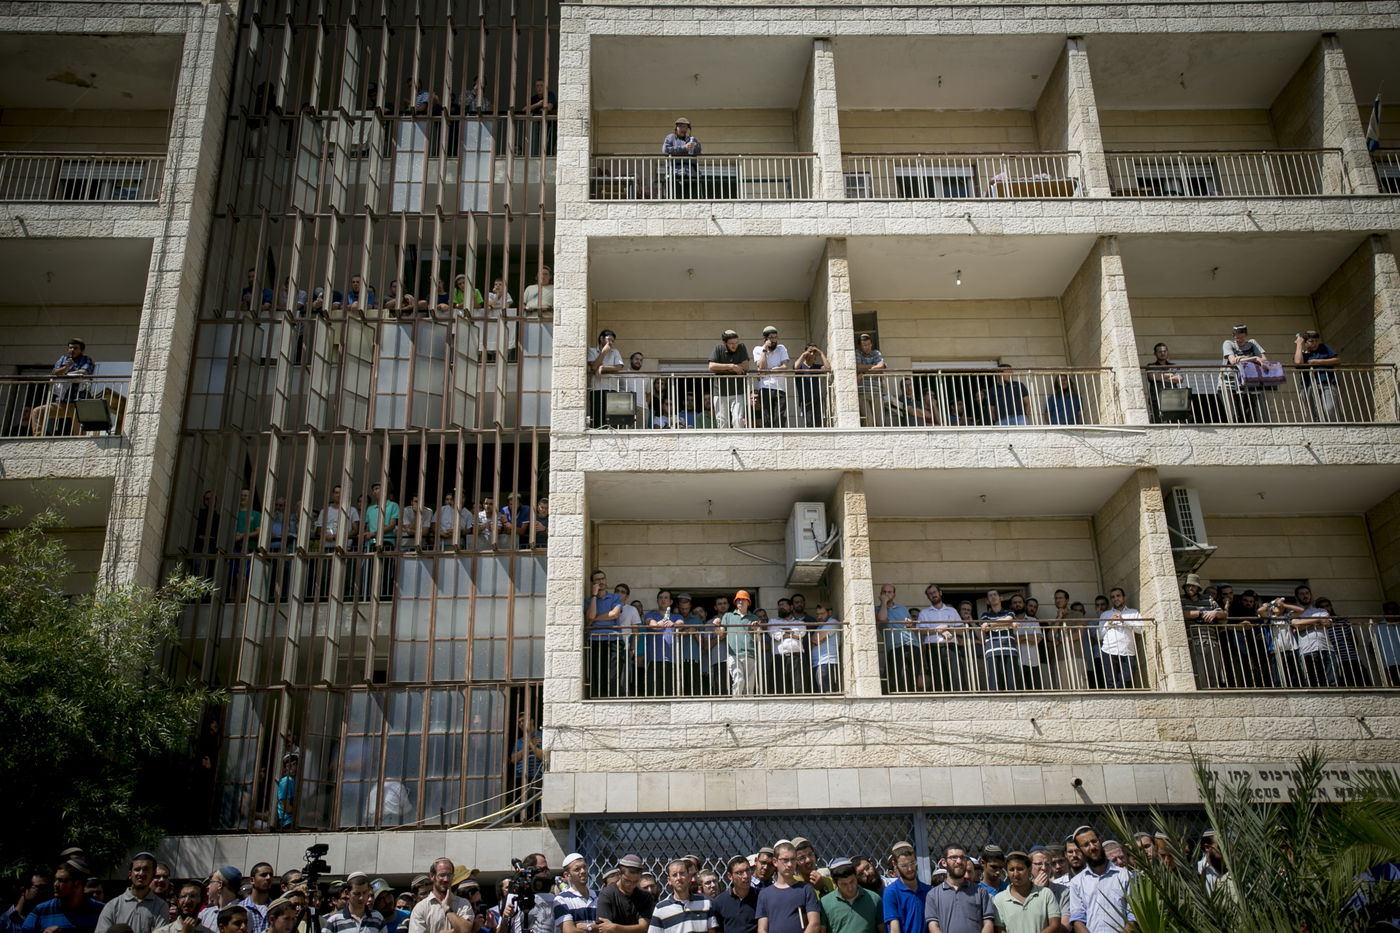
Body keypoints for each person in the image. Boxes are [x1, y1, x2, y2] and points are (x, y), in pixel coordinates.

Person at [1065, 828, 1131, 933]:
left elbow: (1133, 916)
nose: (1092, 847)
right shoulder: (1077, 882)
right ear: (1080, 850)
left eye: (1094, 841)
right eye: (1086, 845)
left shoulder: (1125, 876)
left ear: (1100, 840)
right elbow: (1078, 920)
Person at [28, 339, 96, 436]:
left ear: (82, 350)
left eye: (75, 348)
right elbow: (55, 372)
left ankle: (80, 442)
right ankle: (38, 439)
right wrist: (65, 367)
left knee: (80, 433)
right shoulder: (63, 358)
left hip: (77, 404)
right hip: (61, 403)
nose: (72, 350)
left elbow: (84, 372)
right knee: (37, 412)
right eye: (70, 348)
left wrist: (65, 374)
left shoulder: (86, 359)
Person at [923, 845, 993, 933]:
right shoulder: (933, 895)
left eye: (962, 858)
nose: (959, 861)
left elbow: (988, 923)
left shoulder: (980, 892)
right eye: (954, 858)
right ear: (944, 862)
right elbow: (933, 925)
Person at [754, 843, 819, 933]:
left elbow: (814, 924)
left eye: (793, 860)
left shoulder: (806, 889)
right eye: (785, 860)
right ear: (775, 862)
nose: (790, 864)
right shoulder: (765, 894)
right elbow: (762, 929)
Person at [95, 854, 165, 933]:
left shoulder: (161, 906)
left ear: (153, 874)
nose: (141, 873)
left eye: (146, 869)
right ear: (130, 874)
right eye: (137, 869)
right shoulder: (112, 905)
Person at [990, 853, 1058, 933]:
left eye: (1020, 869)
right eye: (1011, 870)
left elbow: (1055, 925)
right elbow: (1000, 929)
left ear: (1029, 870)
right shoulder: (999, 899)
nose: (1016, 874)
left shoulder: (1046, 894)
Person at [1180, 573, 1224, 688]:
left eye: (1193, 586)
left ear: (1198, 588)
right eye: (1188, 585)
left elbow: (1224, 614)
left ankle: (1215, 695)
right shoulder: (1181, 599)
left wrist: (1215, 613)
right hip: (1194, 641)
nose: (1190, 588)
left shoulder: (1208, 598)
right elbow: (1181, 614)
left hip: (1211, 641)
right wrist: (1200, 613)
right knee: (1200, 675)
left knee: (1214, 675)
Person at [587, 570, 626, 697]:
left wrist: (595, 619)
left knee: (614, 673)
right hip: (596, 640)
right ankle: (600, 698)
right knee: (598, 672)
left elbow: (614, 614)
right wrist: (594, 596)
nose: (601, 581)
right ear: (593, 583)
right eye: (597, 579)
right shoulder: (589, 600)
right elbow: (590, 615)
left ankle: (614, 698)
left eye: (603, 578)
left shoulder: (615, 597)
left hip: (614, 639)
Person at [1221, 324, 1269, 423]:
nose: (1239, 340)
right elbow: (1233, 361)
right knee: (1236, 415)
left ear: (1246, 335)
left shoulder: (1252, 343)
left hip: (1246, 384)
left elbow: (1264, 359)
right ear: (1233, 336)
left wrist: (1245, 358)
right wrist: (1254, 358)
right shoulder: (1228, 343)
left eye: (1242, 337)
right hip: (1229, 385)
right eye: (1237, 337)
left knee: (1249, 414)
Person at [407, 860, 472, 933]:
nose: (446, 879)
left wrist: (447, 909)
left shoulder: (463, 904)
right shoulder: (421, 908)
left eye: (449, 875)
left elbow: (465, 930)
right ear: (432, 876)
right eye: (442, 875)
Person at [649, 861, 714, 933]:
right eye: (674, 875)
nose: (679, 878)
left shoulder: (705, 902)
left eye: (682, 873)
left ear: (689, 877)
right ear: (669, 881)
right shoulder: (660, 908)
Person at [1097, 588, 1143, 689]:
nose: (1115, 599)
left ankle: (1117, 692)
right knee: (1111, 682)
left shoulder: (1133, 612)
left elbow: (1140, 629)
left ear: (1124, 597)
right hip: (1109, 650)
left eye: (1118, 596)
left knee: (1127, 679)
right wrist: (1108, 623)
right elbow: (1099, 635)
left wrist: (1124, 620)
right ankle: (1114, 695)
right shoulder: (1105, 614)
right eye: (1113, 597)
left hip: (1128, 651)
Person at [596, 855, 654, 933]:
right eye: (627, 881)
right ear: (619, 874)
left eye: (635, 881)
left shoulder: (645, 896)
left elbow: (643, 928)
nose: (631, 885)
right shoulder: (607, 894)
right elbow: (603, 929)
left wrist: (615, 928)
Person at [819, 861, 880, 933]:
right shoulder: (824, 903)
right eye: (844, 884)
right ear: (835, 883)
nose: (850, 888)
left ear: (856, 877)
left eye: (852, 881)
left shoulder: (874, 899)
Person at [881, 843, 929, 933]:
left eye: (912, 863)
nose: (910, 869)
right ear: (895, 864)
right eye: (904, 866)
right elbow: (894, 928)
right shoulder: (891, 892)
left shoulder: (928, 890)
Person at [1293, 329, 1339, 422]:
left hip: (1326, 383)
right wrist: (1299, 344)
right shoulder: (1301, 354)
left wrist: (1317, 361)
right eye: (1311, 341)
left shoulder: (1324, 348)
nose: (1315, 343)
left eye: (1316, 341)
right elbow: (1298, 362)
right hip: (1308, 387)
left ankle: (1334, 427)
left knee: (1330, 409)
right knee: (1316, 414)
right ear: (1305, 343)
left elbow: (1337, 360)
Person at [709, 330, 751, 429]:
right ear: (724, 343)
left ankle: (739, 439)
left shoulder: (741, 347)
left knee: (738, 419)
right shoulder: (718, 348)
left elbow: (745, 366)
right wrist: (732, 367)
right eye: (731, 343)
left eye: (736, 342)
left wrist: (722, 368)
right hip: (720, 391)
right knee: (722, 421)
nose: (734, 346)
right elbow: (711, 366)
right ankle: (723, 439)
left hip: (738, 391)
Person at [752, 326, 790, 428]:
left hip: (780, 387)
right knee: (767, 417)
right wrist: (764, 349)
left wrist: (769, 371)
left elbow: (785, 366)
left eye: (775, 337)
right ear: (765, 339)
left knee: (779, 417)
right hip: (765, 387)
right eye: (771, 338)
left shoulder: (781, 348)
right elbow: (761, 367)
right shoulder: (758, 349)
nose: (774, 340)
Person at [712, 857, 758, 933]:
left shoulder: (761, 897)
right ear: (730, 876)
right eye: (740, 873)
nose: (746, 876)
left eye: (747, 870)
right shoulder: (719, 902)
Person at [554, 854, 597, 933]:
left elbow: (609, 928)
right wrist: (595, 928)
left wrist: (588, 927)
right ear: (567, 875)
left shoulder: (599, 896)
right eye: (577, 869)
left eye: (584, 867)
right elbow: (569, 931)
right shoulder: (561, 900)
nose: (583, 871)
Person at [661, 118, 701, 199]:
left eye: (686, 127)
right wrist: (684, 148)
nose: (684, 129)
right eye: (681, 127)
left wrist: (694, 146)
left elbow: (699, 150)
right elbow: (665, 150)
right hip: (675, 173)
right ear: (676, 128)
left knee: (692, 199)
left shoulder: (691, 139)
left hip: (691, 174)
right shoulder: (670, 138)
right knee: (675, 198)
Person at [1144, 342, 1183, 423]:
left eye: (1164, 351)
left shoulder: (1173, 365)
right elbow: (1152, 377)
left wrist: (1160, 376)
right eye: (1160, 352)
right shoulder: (1151, 366)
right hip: (1157, 398)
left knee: (1176, 423)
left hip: (1173, 398)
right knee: (1158, 422)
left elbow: (1180, 379)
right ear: (1155, 354)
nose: (1162, 353)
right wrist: (1170, 375)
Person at [793, 345, 829, 427]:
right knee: (809, 423)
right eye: (810, 352)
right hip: (805, 399)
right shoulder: (801, 366)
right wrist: (804, 354)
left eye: (814, 352)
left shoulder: (817, 367)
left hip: (817, 398)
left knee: (818, 423)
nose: (812, 354)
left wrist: (821, 353)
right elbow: (795, 367)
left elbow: (827, 368)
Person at [809, 604, 842, 693]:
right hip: (818, 663)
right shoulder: (820, 626)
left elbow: (817, 638)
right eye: (817, 614)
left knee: (827, 692)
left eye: (822, 613)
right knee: (821, 692)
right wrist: (816, 639)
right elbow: (813, 640)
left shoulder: (832, 622)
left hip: (827, 661)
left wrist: (816, 639)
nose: (819, 617)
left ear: (830, 612)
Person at [855, 334, 886, 426]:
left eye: (869, 344)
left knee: (880, 420)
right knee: (868, 418)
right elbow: (858, 367)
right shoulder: (857, 353)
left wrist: (864, 373)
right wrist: (874, 367)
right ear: (860, 346)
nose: (867, 347)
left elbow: (881, 366)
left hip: (876, 390)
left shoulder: (876, 353)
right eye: (864, 345)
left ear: (871, 344)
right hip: (862, 391)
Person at [239, 865, 276, 933]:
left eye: (271, 875)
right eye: (263, 875)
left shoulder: (276, 908)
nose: (268, 878)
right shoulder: (240, 908)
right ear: (252, 880)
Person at [275, 752, 298, 829]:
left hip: (293, 821)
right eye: (289, 766)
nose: (292, 768)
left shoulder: (294, 781)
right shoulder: (286, 781)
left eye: (294, 764)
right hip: (287, 823)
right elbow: (287, 808)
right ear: (285, 768)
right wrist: (304, 812)